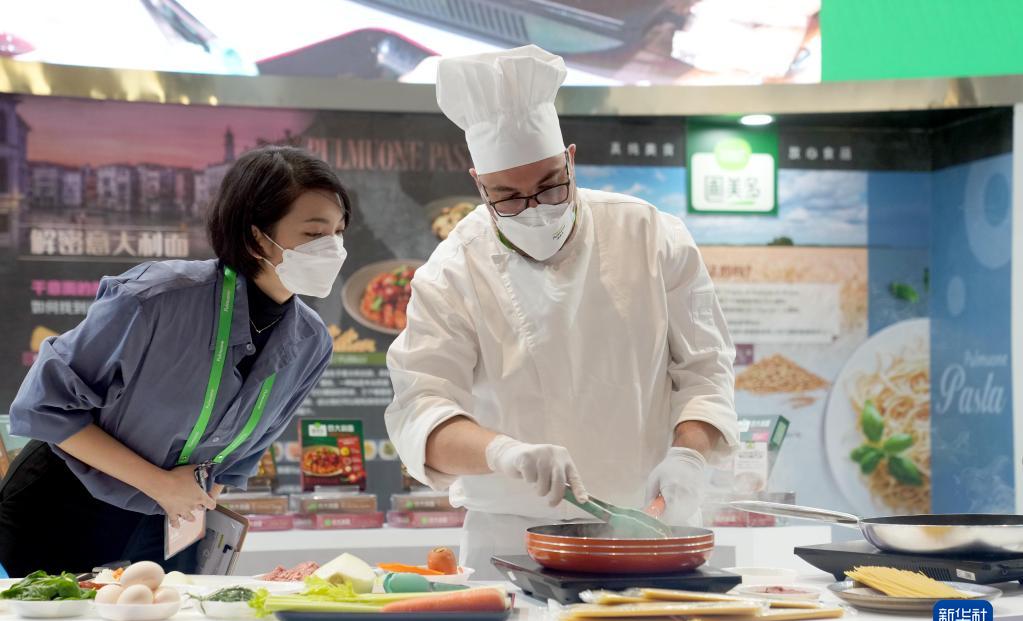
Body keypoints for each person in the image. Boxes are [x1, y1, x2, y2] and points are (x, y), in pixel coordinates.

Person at [385, 46, 739, 578]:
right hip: (511, 541)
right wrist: (503, 453)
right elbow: (421, 410)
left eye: (551, 186)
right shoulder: (453, 270)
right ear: (478, 183)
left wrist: (688, 456)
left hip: (648, 525)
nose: (534, 210)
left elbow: (705, 371)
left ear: (571, 159)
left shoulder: (649, 234)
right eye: (508, 197)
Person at [0, 146, 348, 576]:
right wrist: (161, 485)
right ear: (257, 236)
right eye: (315, 234)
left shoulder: (311, 341)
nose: (333, 249)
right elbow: (44, 407)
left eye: (339, 233)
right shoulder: (155, 298)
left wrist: (198, 499)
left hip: (171, 521)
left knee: (165, 618)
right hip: (63, 504)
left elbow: (244, 453)